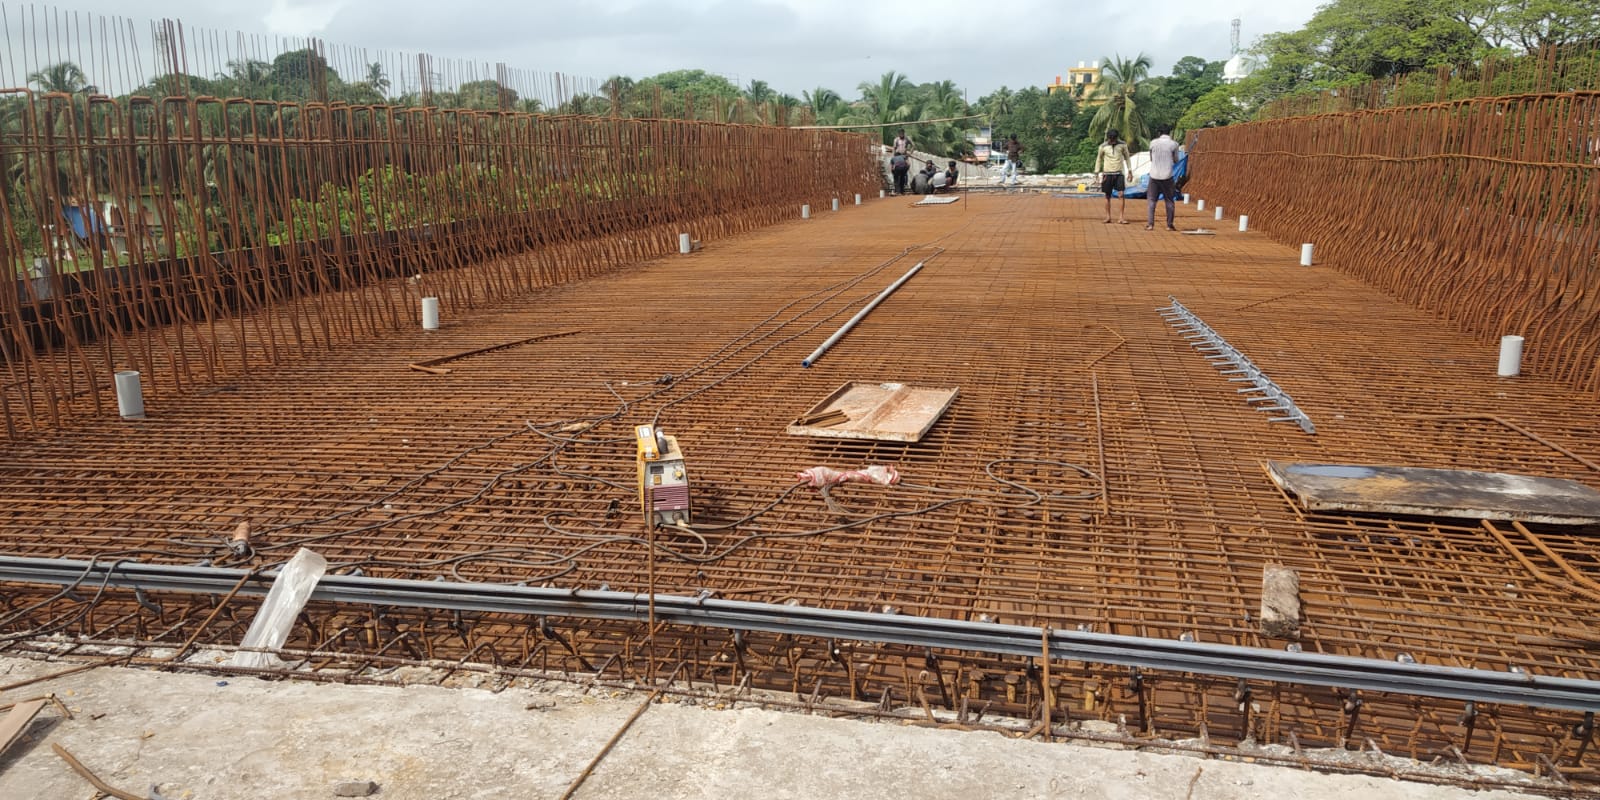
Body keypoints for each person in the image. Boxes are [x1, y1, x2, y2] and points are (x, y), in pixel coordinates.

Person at [1094, 128, 1133, 224]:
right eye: (1111, 139)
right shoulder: (1103, 146)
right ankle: (1108, 217)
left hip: (1119, 173)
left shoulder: (1123, 145)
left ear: (1116, 138)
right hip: (1107, 173)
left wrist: (1130, 171)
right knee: (1107, 195)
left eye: (1114, 139)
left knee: (1121, 194)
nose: (1112, 141)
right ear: (1108, 138)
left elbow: (1127, 158)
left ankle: (1121, 217)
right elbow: (1099, 159)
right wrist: (1096, 172)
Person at [1146, 126, 1181, 231]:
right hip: (1168, 176)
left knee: (1152, 201)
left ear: (1159, 133)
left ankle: (1150, 224)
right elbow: (1176, 160)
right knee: (1169, 201)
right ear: (1169, 133)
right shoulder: (1174, 144)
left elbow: (1151, 159)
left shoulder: (1153, 143)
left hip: (1154, 175)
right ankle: (1169, 225)